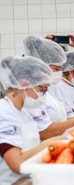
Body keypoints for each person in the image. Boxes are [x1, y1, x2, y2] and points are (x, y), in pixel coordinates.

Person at [23, 36, 74, 140]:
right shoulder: (31, 94)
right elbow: (45, 131)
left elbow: (58, 120)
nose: (60, 73)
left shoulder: (46, 92)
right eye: (56, 69)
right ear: (41, 65)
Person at [0, 56, 62, 184]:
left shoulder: (23, 112)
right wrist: (48, 144)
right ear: (24, 84)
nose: (43, 95)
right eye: (42, 89)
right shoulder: (4, 112)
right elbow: (17, 164)